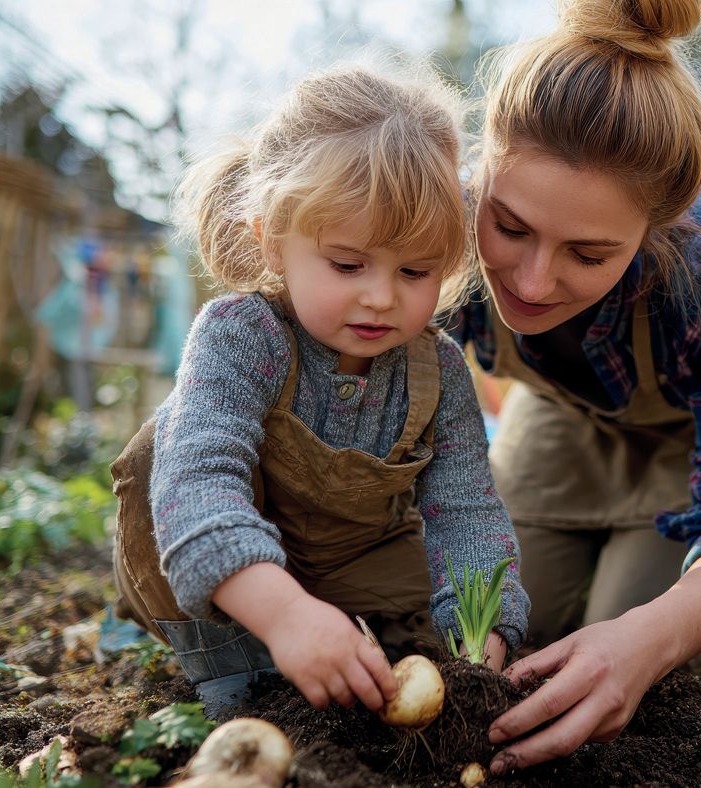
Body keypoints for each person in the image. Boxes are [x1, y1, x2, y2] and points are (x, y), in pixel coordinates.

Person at [445, 0, 701, 773]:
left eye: (587, 254)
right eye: (511, 228)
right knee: (498, 624)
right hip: (565, 408)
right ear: (483, 167)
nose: (532, 281)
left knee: (617, 643)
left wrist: (649, 640)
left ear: (656, 228)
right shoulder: (439, 219)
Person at [110, 66, 529, 715]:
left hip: (354, 566)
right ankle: (234, 669)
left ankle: (367, 651)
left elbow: (465, 509)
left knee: (431, 634)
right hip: (231, 578)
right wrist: (284, 615)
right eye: (347, 264)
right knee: (155, 457)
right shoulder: (243, 334)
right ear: (273, 241)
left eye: (414, 271)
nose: (381, 296)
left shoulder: (439, 369)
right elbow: (197, 480)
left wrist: (485, 631)